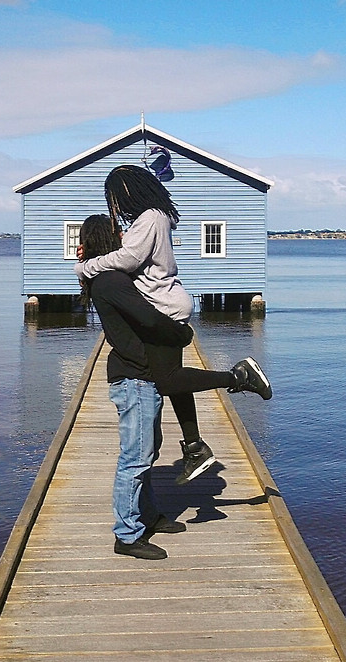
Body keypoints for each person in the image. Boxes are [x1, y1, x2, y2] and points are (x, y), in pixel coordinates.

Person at [77, 213, 272, 560]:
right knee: (134, 460)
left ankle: (148, 517)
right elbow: (150, 317)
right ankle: (126, 535)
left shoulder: (110, 278)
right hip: (134, 378)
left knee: (146, 455)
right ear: (107, 239)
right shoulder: (111, 282)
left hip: (141, 375)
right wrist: (181, 332)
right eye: (118, 232)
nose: (124, 236)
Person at [75, 165, 271, 484]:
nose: (114, 206)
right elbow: (128, 252)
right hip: (167, 299)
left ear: (127, 192)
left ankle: (239, 376)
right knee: (175, 380)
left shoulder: (150, 217)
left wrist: (86, 266)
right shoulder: (155, 218)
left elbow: (128, 260)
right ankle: (194, 446)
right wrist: (92, 256)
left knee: (167, 381)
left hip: (161, 305)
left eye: (114, 198)